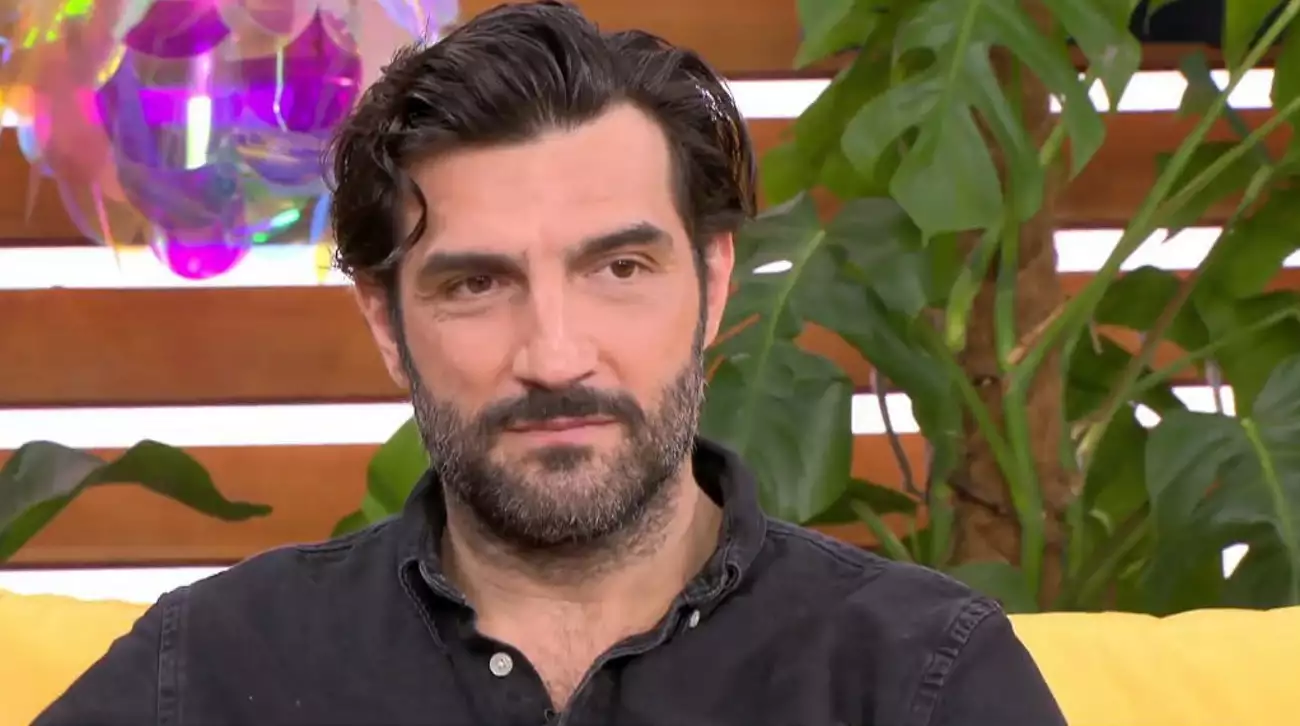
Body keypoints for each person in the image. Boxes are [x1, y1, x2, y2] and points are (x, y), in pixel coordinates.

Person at [34, 2, 1067, 724]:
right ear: (387, 321)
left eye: (618, 268)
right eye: (476, 284)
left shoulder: (920, 680)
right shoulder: (209, 673)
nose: (555, 355)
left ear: (712, 284)